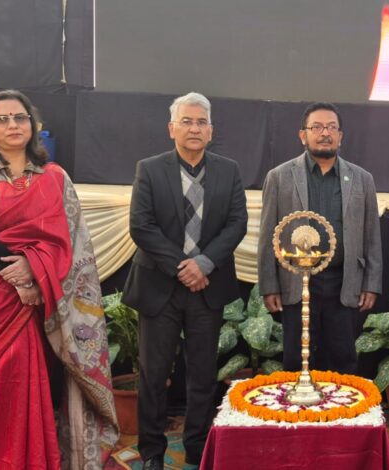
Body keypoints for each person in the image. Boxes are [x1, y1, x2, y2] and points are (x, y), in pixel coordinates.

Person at [0, 89, 118, 469]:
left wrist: (35, 273)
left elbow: (71, 242)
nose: (12, 125)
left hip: (42, 299)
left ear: (33, 124)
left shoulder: (54, 177)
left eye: (19, 117)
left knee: (24, 377)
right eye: (2, 119)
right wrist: (20, 272)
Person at [122, 92, 248, 469]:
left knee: (203, 374)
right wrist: (185, 266)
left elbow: (236, 224)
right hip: (159, 286)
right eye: (187, 121)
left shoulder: (229, 170)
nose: (194, 128)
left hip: (207, 288)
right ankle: (152, 452)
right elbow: (141, 225)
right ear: (171, 128)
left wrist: (204, 264)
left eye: (201, 122)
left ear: (210, 131)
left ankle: (197, 447)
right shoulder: (149, 168)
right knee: (154, 374)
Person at [258, 102, 382, 374]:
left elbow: (372, 236)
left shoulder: (362, 179)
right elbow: (267, 235)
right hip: (296, 282)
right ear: (303, 135)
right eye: (317, 127)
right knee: (296, 361)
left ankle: (339, 403)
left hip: (344, 282)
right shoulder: (279, 177)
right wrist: (269, 286)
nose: (325, 133)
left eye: (331, 127)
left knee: (343, 362)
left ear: (340, 136)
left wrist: (371, 284)